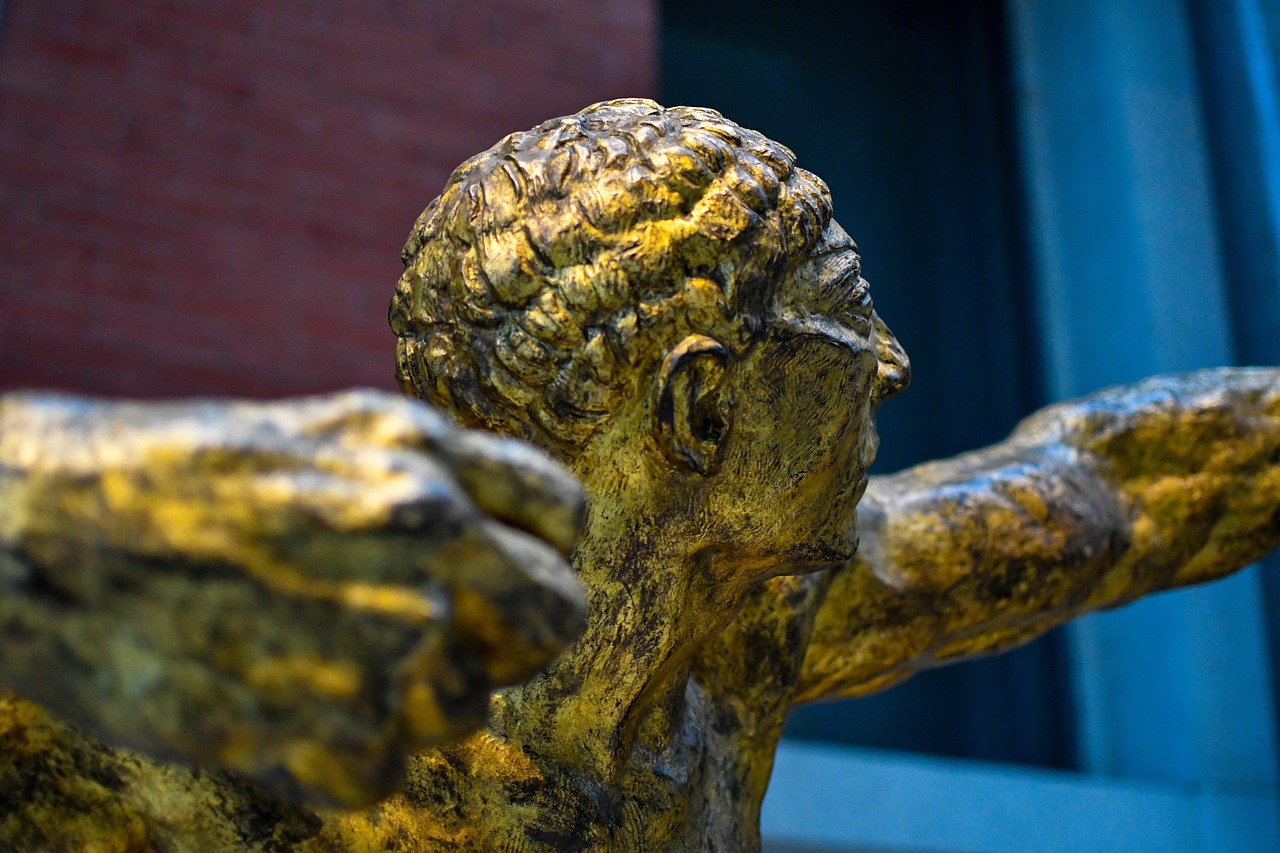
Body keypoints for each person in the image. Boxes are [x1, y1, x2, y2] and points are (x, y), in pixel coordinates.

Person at [2, 99, 1277, 852]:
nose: (888, 365)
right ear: (699, 407)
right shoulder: (249, 724)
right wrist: (65, 506)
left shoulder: (735, 640)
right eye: (844, 325)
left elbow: (1112, 494)